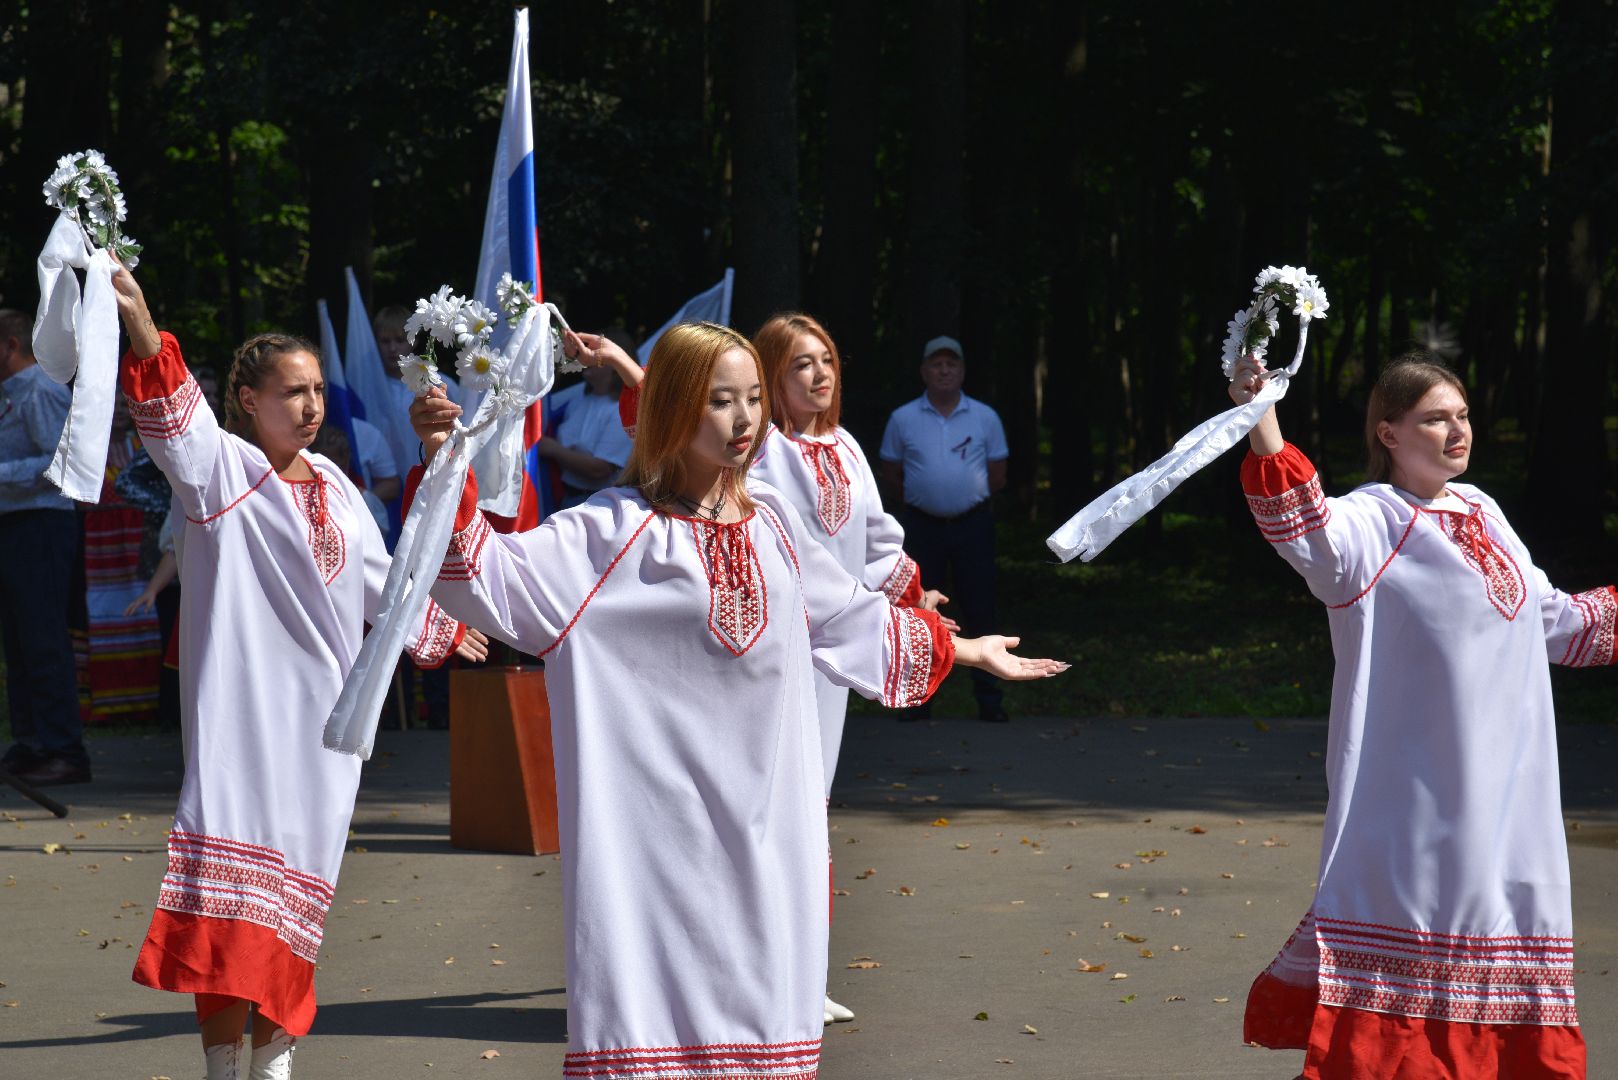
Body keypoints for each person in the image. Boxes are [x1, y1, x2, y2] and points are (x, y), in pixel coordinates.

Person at [407, 321, 1066, 1079]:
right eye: (721, 400)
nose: (746, 418)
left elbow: (850, 615)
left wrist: (965, 648)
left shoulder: (776, 529)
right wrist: (440, 457)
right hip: (652, 850)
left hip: (766, 838)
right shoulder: (607, 535)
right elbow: (474, 575)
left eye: (754, 397)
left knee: (766, 1034)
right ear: (675, 410)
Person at [110, 267, 485, 1080]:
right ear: (248, 400)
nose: (312, 406)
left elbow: (384, 581)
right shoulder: (221, 476)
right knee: (227, 902)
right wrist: (141, 318)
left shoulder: (344, 489)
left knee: (295, 901)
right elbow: (174, 421)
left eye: (317, 390)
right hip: (240, 725)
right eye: (292, 392)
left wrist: (448, 625)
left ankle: (275, 1064)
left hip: (324, 732)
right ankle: (223, 1068)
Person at [1228, 351, 1613, 1079]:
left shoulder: (1483, 511)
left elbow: (1553, 620)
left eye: (1463, 415)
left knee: (1511, 955)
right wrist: (1263, 417)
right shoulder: (1372, 520)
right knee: (1412, 1001)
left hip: (1511, 803)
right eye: (1435, 418)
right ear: (1389, 434)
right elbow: (1306, 531)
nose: (1457, 430)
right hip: (1419, 805)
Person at [750, 312, 956, 1024]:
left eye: (827, 359)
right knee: (764, 810)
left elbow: (873, 540)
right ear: (769, 376)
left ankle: (804, 977)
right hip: (766, 655)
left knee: (812, 810)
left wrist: (915, 600)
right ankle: (757, 978)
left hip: (831, 659)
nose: (819, 374)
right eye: (801, 363)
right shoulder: (757, 450)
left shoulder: (845, 446)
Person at [879, 335, 1010, 722]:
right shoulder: (903, 418)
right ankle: (916, 704)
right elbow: (891, 471)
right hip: (922, 528)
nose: (944, 369)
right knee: (919, 610)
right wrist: (926, 500)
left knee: (980, 608)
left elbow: (998, 475)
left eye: (951, 363)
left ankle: (990, 701)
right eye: (936, 363)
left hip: (973, 526)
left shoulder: (985, 417)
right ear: (924, 371)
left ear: (963, 370)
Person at [0, 308, 91, 785]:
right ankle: (31, 742)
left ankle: (64, 749)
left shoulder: (40, 389)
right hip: (13, 525)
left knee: (43, 638)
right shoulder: (10, 395)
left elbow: (59, 459)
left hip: (42, 524)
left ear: (10, 346)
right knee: (17, 640)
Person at [534, 327, 634, 508]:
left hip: (600, 505)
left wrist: (554, 450)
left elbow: (600, 469)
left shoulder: (622, 409)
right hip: (567, 498)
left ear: (615, 365)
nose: (586, 356)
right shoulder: (579, 399)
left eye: (596, 353)